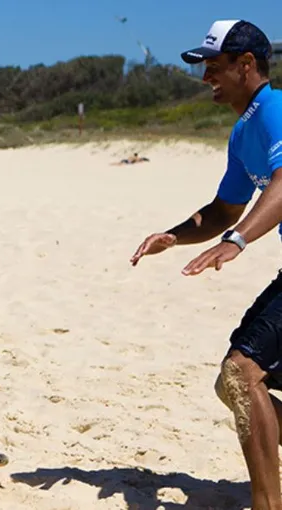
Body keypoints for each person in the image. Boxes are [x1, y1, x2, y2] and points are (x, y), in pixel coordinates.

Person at [129, 20, 282, 510]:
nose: (205, 79)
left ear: (246, 65)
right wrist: (173, 236)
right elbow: (222, 210)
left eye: (213, 68)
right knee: (234, 382)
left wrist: (237, 242)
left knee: (240, 375)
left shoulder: (276, 111)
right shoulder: (244, 133)